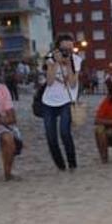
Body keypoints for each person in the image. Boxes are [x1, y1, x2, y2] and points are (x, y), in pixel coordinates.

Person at [41, 34, 82, 172]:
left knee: (65, 132)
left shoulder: (76, 60)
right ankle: (60, 165)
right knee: (50, 136)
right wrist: (55, 63)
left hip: (67, 100)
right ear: (57, 49)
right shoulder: (50, 58)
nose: (67, 52)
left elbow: (72, 83)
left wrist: (69, 64)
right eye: (64, 49)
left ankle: (72, 164)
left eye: (70, 49)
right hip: (49, 100)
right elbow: (50, 82)